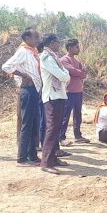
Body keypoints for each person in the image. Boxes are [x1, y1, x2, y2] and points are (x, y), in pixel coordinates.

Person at [2, 28, 43, 165]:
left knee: (33, 124)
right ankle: (22, 158)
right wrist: (23, 75)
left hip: (34, 90)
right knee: (27, 125)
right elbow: (6, 66)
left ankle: (32, 156)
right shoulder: (23, 51)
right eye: (35, 37)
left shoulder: (33, 51)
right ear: (27, 39)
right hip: (28, 90)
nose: (38, 40)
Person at [39, 34, 71, 167]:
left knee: (56, 129)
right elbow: (63, 75)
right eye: (58, 42)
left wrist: (65, 75)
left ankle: (53, 158)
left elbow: (64, 73)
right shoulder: (46, 57)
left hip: (59, 96)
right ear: (52, 43)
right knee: (52, 130)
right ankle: (46, 163)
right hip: (52, 97)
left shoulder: (53, 57)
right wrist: (66, 75)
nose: (59, 44)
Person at [58, 38, 90, 145]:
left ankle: (78, 136)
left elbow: (83, 74)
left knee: (78, 115)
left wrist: (79, 73)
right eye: (76, 47)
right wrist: (80, 72)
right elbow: (72, 71)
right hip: (68, 92)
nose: (78, 49)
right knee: (65, 115)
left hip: (78, 91)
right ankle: (61, 137)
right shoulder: (64, 60)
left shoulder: (77, 61)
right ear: (70, 48)